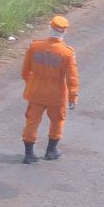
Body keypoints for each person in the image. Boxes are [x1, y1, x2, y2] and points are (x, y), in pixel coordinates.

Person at [21, 15, 80, 163]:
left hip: (35, 93)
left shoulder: (35, 46)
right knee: (57, 121)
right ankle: (51, 151)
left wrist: (32, 84)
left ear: (49, 28)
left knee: (32, 122)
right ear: (64, 32)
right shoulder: (67, 53)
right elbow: (72, 78)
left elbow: (24, 71)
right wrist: (73, 96)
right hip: (56, 96)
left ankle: (29, 154)